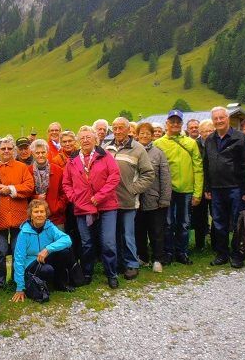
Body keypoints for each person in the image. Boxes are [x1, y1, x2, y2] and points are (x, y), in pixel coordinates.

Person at [62, 125, 120, 288]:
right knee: (87, 243)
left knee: (108, 242)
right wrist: (74, 198)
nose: (85, 140)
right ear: (78, 141)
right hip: (82, 209)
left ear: (95, 139)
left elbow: (114, 177)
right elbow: (66, 183)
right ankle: (87, 273)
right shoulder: (72, 160)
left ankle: (111, 274)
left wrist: (100, 196)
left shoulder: (106, 156)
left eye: (88, 137)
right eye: (82, 138)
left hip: (106, 207)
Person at [203, 106, 245, 268]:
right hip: (217, 189)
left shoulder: (240, 138)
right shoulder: (210, 139)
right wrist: (207, 188)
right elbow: (207, 165)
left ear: (227, 119)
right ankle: (222, 254)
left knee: (238, 222)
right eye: (216, 118)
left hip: (236, 187)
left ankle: (238, 255)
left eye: (221, 118)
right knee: (218, 223)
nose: (218, 121)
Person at [154, 110, 203, 265]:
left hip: (186, 190)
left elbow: (198, 168)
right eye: (172, 121)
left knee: (184, 223)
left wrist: (198, 192)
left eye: (178, 122)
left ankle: (182, 252)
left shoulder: (191, 143)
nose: (175, 124)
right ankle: (168, 252)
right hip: (167, 191)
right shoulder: (158, 143)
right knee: (167, 223)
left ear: (182, 124)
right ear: (166, 124)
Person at [0, 136, 35, 291]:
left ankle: (16, 279)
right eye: (3, 148)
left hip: (19, 215)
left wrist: (11, 189)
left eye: (9, 148)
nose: (6, 151)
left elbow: (29, 187)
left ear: (14, 150)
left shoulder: (21, 167)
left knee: (17, 250)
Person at [107, 117, 154, 280]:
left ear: (128, 130)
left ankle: (132, 264)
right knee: (114, 235)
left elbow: (148, 174)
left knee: (128, 234)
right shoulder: (107, 148)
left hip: (128, 201)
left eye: (121, 128)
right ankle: (120, 263)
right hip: (110, 202)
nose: (118, 131)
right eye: (115, 128)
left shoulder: (138, 148)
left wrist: (134, 189)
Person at [11, 199, 73, 302]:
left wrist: (48, 249)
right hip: (31, 264)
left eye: (42, 211)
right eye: (36, 212)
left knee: (65, 252)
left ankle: (59, 283)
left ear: (46, 214)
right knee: (48, 270)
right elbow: (19, 260)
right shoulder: (24, 233)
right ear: (30, 215)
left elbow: (67, 239)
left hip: (45, 257)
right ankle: (40, 285)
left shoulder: (50, 227)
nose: (39, 214)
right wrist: (20, 288)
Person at [134, 124, 171, 273]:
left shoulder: (158, 153)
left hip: (155, 200)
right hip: (136, 200)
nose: (144, 136)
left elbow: (165, 178)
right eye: (141, 133)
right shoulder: (133, 151)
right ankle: (143, 257)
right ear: (137, 135)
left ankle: (157, 259)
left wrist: (164, 199)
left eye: (147, 133)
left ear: (152, 135)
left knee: (157, 231)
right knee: (139, 231)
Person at [28, 139, 68, 229]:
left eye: (43, 152)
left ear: (47, 153)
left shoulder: (57, 170)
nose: (40, 155)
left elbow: (65, 192)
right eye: (37, 153)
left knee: (59, 242)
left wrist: (57, 207)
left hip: (56, 218)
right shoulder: (28, 171)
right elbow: (26, 193)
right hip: (35, 217)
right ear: (33, 154)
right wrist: (36, 197)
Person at [195, 119, 215, 250]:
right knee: (200, 216)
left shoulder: (218, 143)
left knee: (216, 215)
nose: (208, 133)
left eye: (210, 130)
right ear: (200, 132)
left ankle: (215, 242)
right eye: (205, 131)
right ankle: (200, 244)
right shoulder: (194, 144)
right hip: (200, 185)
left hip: (215, 185)